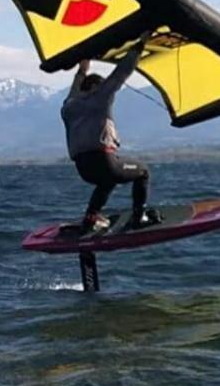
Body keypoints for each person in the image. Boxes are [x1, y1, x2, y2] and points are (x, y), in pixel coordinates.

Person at [62, 32, 160, 235]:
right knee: (143, 171)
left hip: (84, 169)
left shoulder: (68, 107)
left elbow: (75, 87)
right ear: (97, 87)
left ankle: (90, 220)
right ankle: (138, 218)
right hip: (105, 162)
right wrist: (140, 44)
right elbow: (122, 71)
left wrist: (82, 67)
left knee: (107, 181)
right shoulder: (100, 97)